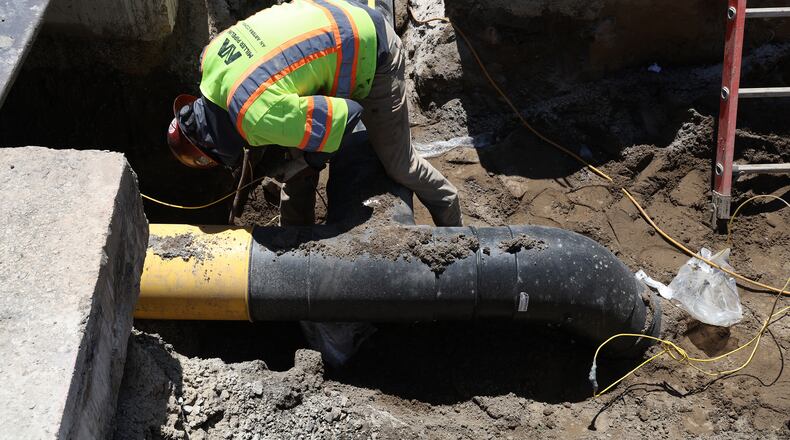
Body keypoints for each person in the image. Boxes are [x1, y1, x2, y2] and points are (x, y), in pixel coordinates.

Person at [166, 0, 461, 227]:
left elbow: (351, 113)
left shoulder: (260, 117)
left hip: (370, 47)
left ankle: (454, 227)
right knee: (296, 156)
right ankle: (298, 240)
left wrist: (310, 159)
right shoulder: (210, 57)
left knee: (399, 164)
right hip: (327, 23)